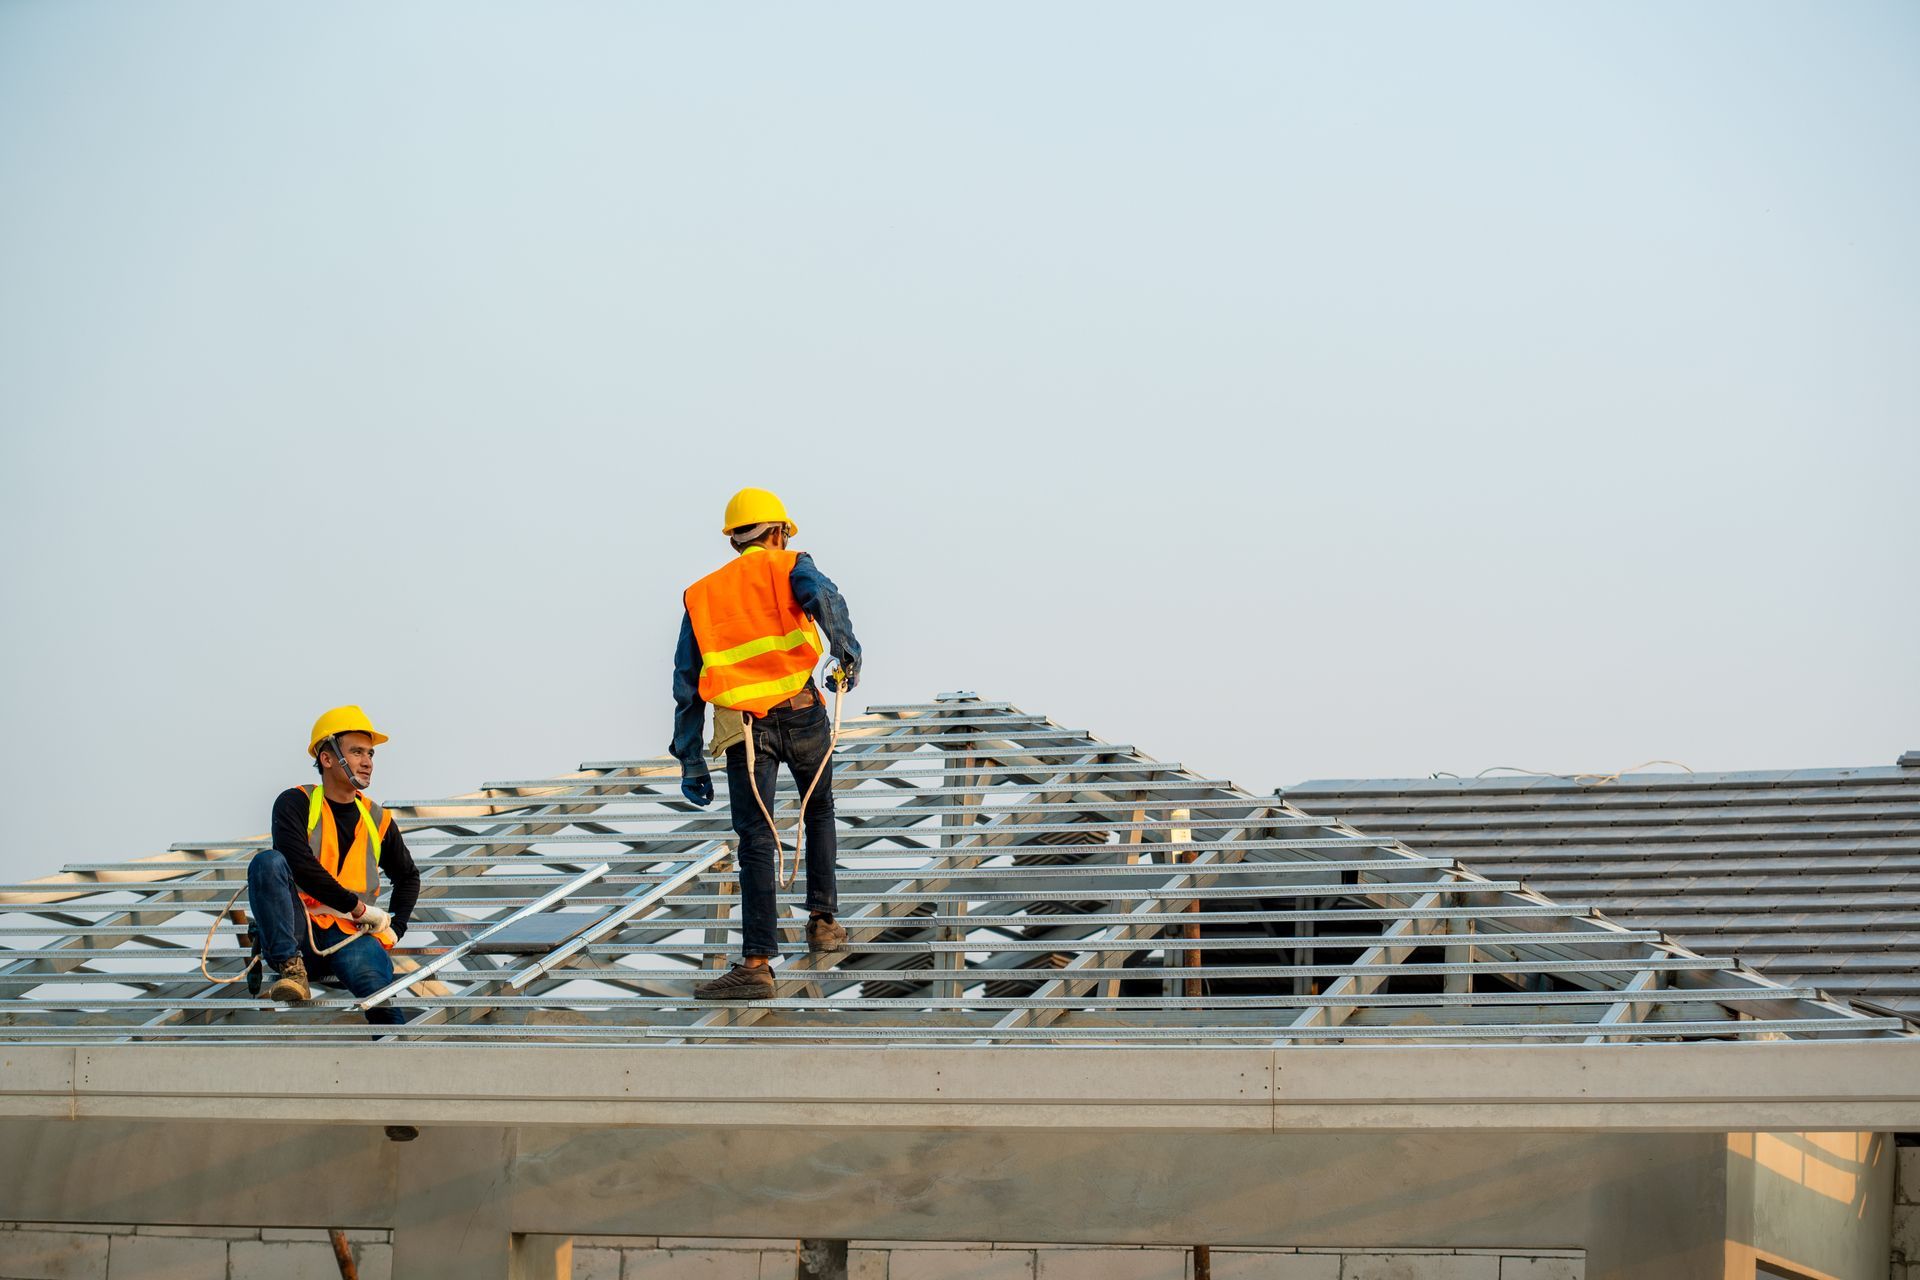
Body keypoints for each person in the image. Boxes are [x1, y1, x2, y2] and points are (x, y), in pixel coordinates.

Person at [672, 487, 862, 1000]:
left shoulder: (702, 593)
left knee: (756, 839)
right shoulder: (791, 564)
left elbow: (686, 681)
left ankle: (757, 963)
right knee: (817, 811)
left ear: (735, 540)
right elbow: (825, 599)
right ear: (777, 532)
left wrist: (690, 757)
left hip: (746, 731)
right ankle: (823, 921)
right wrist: (846, 655)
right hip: (803, 714)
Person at [245, 705, 421, 1026]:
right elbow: (298, 864)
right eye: (356, 752)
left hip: (350, 937)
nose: (367, 762)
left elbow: (408, 876)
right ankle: (291, 973)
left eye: (370, 754)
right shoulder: (296, 802)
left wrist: (397, 928)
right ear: (327, 759)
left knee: (381, 1001)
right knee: (266, 863)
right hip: (298, 938)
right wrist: (356, 906)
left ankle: (400, 1060)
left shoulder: (377, 818)